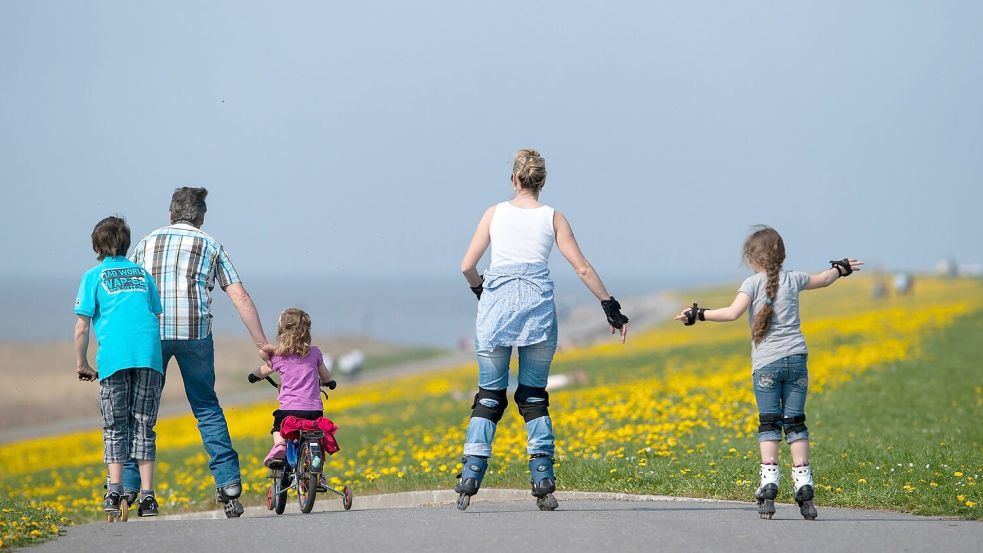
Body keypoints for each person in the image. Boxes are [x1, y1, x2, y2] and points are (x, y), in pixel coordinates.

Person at [454, 149, 629, 511]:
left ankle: (470, 474)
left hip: (496, 312)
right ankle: (543, 478)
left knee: (489, 395)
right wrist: (609, 306)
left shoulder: (494, 213)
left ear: (514, 180)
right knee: (533, 396)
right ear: (541, 182)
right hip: (537, 314)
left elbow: (467, 266)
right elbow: (581, 268)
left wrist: (480, 291)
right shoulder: (554, 218)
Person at [673, 225, 862, 521]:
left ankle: (769, 484)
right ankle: (805, 489)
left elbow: (731, 313)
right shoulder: (795, 279)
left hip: (766, 365)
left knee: (769, 424)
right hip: (797, 359)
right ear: (782, 255)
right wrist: (842, 268)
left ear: (751, 258)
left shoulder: (751, 284)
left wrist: (697, 314)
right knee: (796, 424)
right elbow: (825, 279)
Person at [124, 187, 273, 518]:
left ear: (170, 213)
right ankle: (229, 485)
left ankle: (131, 487)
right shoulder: (210, 244)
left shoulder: (146, 243)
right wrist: (262, 344)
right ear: (201, 217)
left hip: (152, 334)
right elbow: (240, 297)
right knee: (206, 408)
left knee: (142, 412)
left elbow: (128, 292)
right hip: (195, 334)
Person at [74, 216, 164, 518]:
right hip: (149, 357)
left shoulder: (93, 276)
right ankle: (148, 497)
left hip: (114, 359)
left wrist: (82, 363)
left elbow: (81, 328)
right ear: (126, 243)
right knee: (143, 425)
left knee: (115, 426)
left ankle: (114, 490)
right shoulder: (142, 274)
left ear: (96, 245)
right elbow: (153, 313)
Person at [248, 308, 335, 476]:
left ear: (282, 330)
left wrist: (254, 376)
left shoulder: (279, 356)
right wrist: (329, 382)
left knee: (277, 428)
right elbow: (326, 375)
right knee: (316, 439)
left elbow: (262, 371)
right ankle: (319, 475)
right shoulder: (315, 353)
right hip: (314, 411)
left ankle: (279, 445)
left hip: (289, 411)